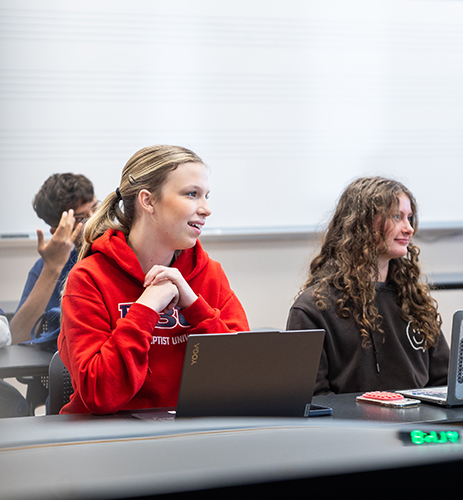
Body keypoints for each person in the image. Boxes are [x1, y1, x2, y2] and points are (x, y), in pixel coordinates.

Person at [59, 145, 250, 415]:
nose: (206, 209)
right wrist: (146, 308)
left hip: (190, 437)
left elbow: (245, 378)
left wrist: (194, 306)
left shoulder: (209, 274)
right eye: (192, 194)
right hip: (110, 439)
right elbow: (99, 394)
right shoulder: (89, 278)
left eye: (206, 196)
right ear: (148, 201)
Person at [286, 176, 449, 395]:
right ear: (362, 223)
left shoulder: (414, 299)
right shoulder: (312, 308)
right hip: (354, 429)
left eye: (409, 218)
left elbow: (444, 383)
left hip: (417, 428)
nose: (408, 228)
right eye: (396, 217)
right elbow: (314, 400)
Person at [10, 173, 97, 351]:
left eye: (96, 207)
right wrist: (52, 268)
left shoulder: (124, 252)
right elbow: (16, 337)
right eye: (82, 218)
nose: (95, 219)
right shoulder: (46, 268)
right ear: (58, 230)